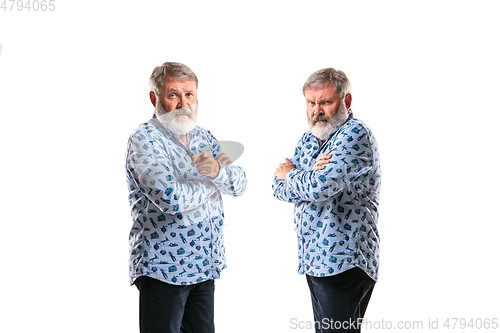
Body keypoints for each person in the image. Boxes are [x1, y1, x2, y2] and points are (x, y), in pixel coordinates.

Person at [126, 62, 247, 333]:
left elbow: (240, 183)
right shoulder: (145, 140)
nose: (183, 103)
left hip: (205, 264)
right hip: (164, 268)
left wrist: (217, 172)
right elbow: (171, 199)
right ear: (154, 98)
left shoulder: (203, 136)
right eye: (173, 95)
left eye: (189, 94)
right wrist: (214, 178)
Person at [272, 68, 381, 332]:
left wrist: (295, 174)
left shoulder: (354, 135)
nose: (317, 110)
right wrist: (305, 174)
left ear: (347, 101)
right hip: (315, 260)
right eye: (311, 102)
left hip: (343, 261)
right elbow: (277, 186)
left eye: (326, 102)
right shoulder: (310, 139)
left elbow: (320, 188)